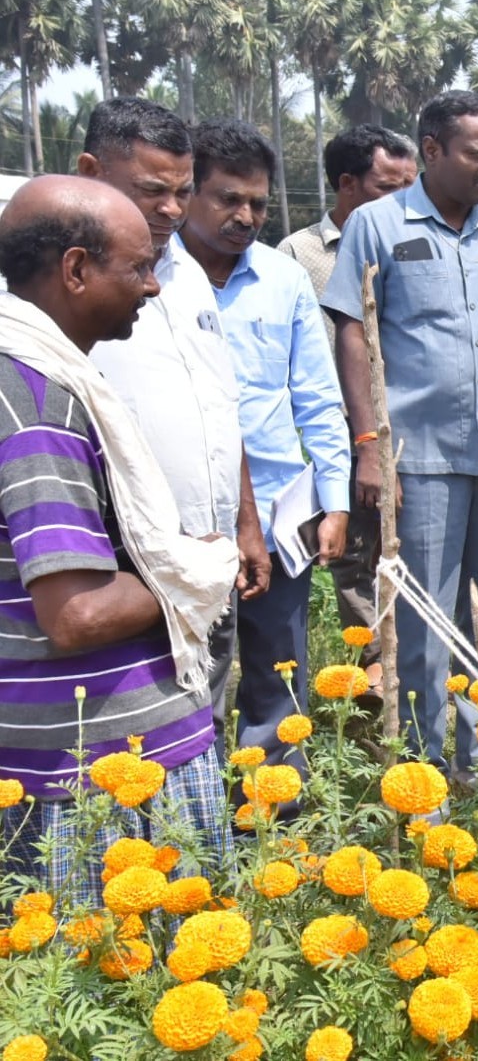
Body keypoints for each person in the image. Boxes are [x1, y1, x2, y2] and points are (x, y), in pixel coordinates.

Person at [0, 176, 238, 905]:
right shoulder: (38, 403)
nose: (154, 288)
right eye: (139, 268)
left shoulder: (35, 376)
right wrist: (195, 565)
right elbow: (77, 614)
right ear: (75, 270)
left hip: (90, 755)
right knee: (127, 985)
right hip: (101, 779)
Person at [322, 91, 478, 781]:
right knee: (424, 613)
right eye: (476, 153)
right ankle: (420, 774)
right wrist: (369, 443)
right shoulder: (377, 225)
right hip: (417, 459)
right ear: (432, 149)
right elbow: (352, 332)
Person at [79, 97, 269, 742]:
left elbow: (220, 409)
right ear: (90, 171)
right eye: (152, 190)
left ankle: (201, 837)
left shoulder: (187, 274)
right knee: (125, 730)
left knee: (202, 718)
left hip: (208, 552)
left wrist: (245, 523)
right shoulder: (64, 282)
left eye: (183, 192)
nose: (170, 208)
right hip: (118, 558)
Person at [178, 119, 350, 770]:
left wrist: (333, 502)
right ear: (187, 193)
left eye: (256, 201)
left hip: (282, 509)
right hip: (185, 514)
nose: (244, 215)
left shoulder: (282, 279)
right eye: (227, 199)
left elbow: (317, 397)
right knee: (191, 671)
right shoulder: (151, 277)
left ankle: (279, 815)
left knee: (279, 666)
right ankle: (192, 815)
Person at [278, 125, 417, 691]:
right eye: (389, 187)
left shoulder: (413, 238)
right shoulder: (301, 255)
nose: (405, 199)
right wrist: (360, 449)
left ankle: (419, 678)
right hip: (349, 437)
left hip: (414, 431)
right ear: (346, 185)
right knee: (361, 562)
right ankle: (374, 687)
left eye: (411, 185)